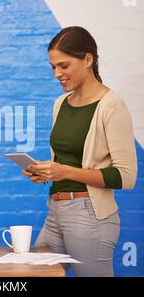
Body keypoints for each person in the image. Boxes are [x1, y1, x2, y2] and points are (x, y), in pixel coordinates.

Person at [22, 26, 137, 277]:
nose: (57, 74)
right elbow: (67, 163)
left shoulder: (111, 105)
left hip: (89, 215)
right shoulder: (60, 103)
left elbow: (125, 177)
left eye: (63, 65)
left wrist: (63, 171)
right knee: (32, 274)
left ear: (88, 59)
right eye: (53, 67)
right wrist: (47, 172)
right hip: (55, 211)